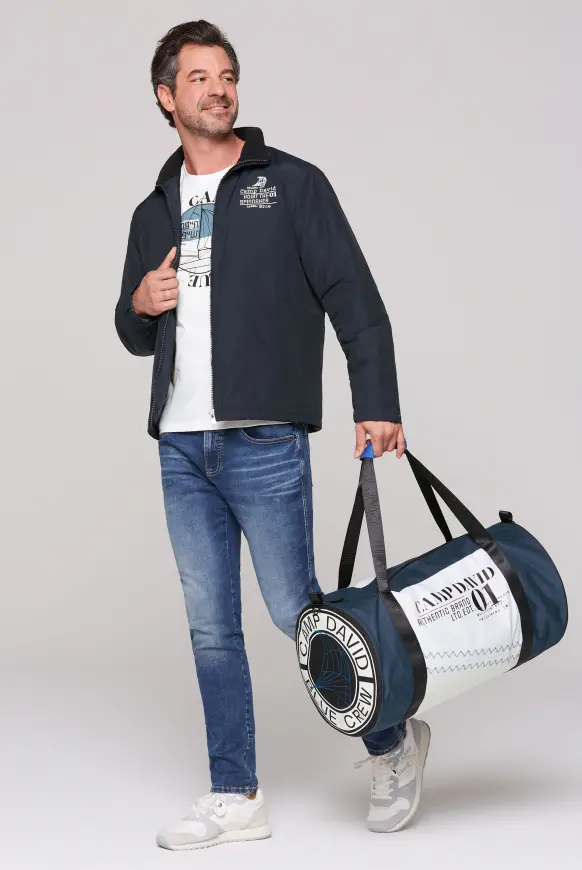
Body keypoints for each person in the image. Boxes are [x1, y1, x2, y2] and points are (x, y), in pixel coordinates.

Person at [114, 18, 431, 851]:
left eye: (227, 75)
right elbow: (133, 329)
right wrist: (139, 305)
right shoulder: (155, 209)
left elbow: (354, 296)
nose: (218, 89)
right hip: (182, 445)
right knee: (210, 627)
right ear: (167, 98)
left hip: (263, 442)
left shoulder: (289, 185)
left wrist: (376, 400)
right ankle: (236, 795)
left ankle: (393, 741)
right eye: (199, 78)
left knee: (299, 612)